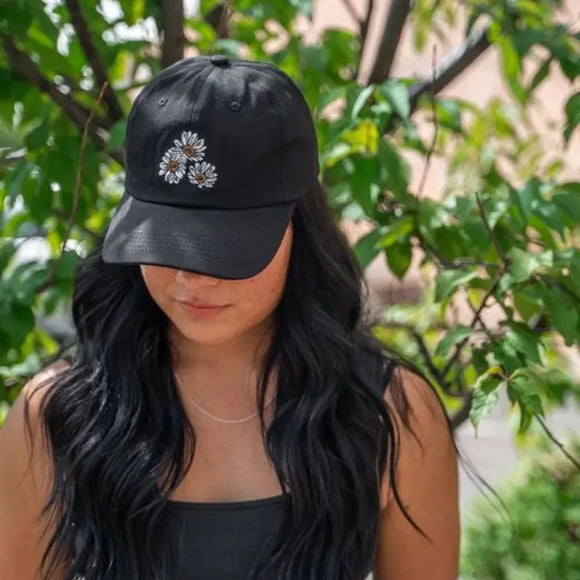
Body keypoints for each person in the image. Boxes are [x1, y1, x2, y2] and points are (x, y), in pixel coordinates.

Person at [0, 55, 459, 579]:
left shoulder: (390, 414)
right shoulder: (55, 417)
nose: (193, 278)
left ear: (299, 230)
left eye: (224, 248)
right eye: (167, 242)